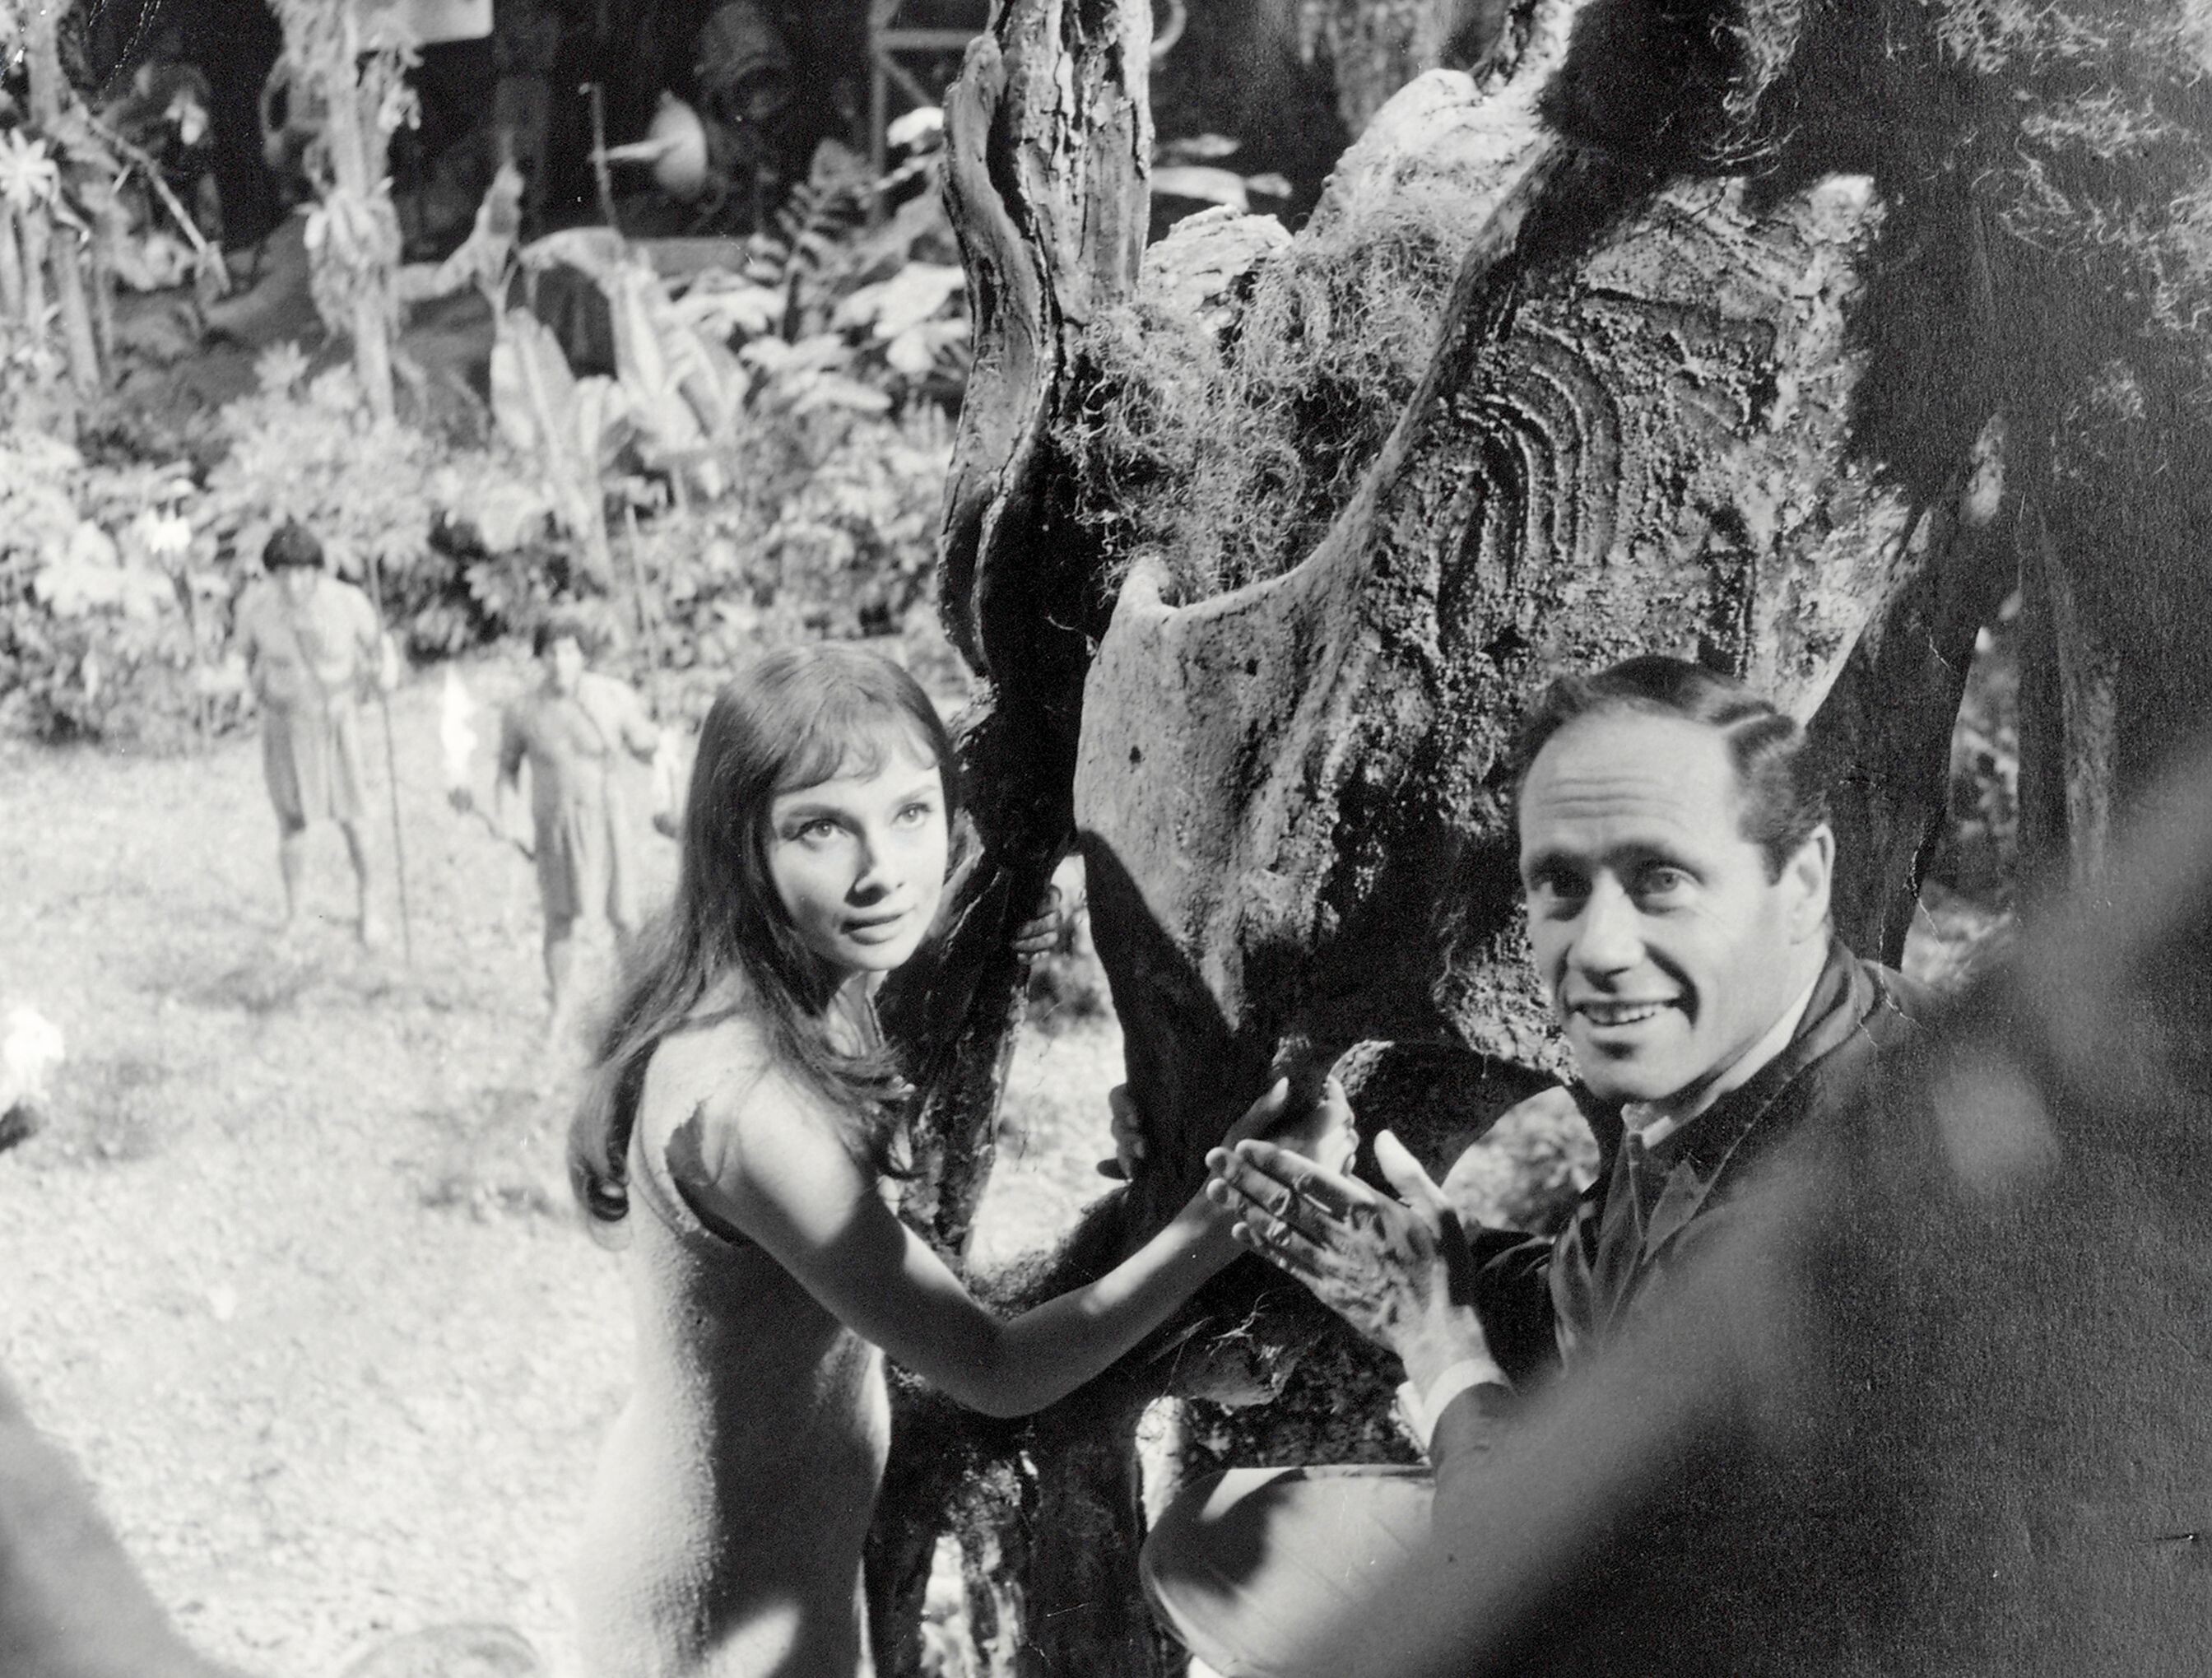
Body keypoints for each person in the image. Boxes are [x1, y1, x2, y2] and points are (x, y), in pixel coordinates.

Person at [564, 644, 1350, 1678]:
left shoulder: (801, 987)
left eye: (909, 811)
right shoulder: (750, 1104)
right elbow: (996, 1369)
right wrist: (1227, 1208)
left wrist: (1154, 1130)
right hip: (718, 1607)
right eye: (820, 827)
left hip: (766, 1559)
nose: (883, 869)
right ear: (738, 845)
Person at [1137, 655, 1930, 1678]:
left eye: (1662, 878)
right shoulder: (1762, 1041)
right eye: (1561, 883)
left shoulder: (1840, 1184)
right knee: (1212, 1551)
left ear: (1805, 877)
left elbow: (1579, 1597)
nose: (1599, 947)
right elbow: (1612, 1313)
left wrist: (1440, 1339)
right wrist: (1416, 1269)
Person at [456, 611, 661, 1030]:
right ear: (540, 657)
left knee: (624, 915)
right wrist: (509, 816)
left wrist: (653, 740)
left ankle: (637, 1003)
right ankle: (560, 1006)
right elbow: (507, 770)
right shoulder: (523, 710)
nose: (560, 661)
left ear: (583, 655)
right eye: (551, 652)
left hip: (606, 819)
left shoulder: (612, 696)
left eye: (569, 651)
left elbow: (645, 748)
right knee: (559, 919)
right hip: (554, 823)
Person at [232, 521, 397, 945]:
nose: (293, 584)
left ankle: (370, 908)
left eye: (302, 572)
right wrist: (229, 682)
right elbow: (241, 659)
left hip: (338, 721)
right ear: (271, 574)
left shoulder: (348, 602)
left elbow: (380, 646)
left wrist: (387, 673)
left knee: (355, 820)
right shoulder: (256, 608)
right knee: (292, 824)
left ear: (318, 571)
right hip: (285, 724)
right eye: (283, 574)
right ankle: (296, 914)